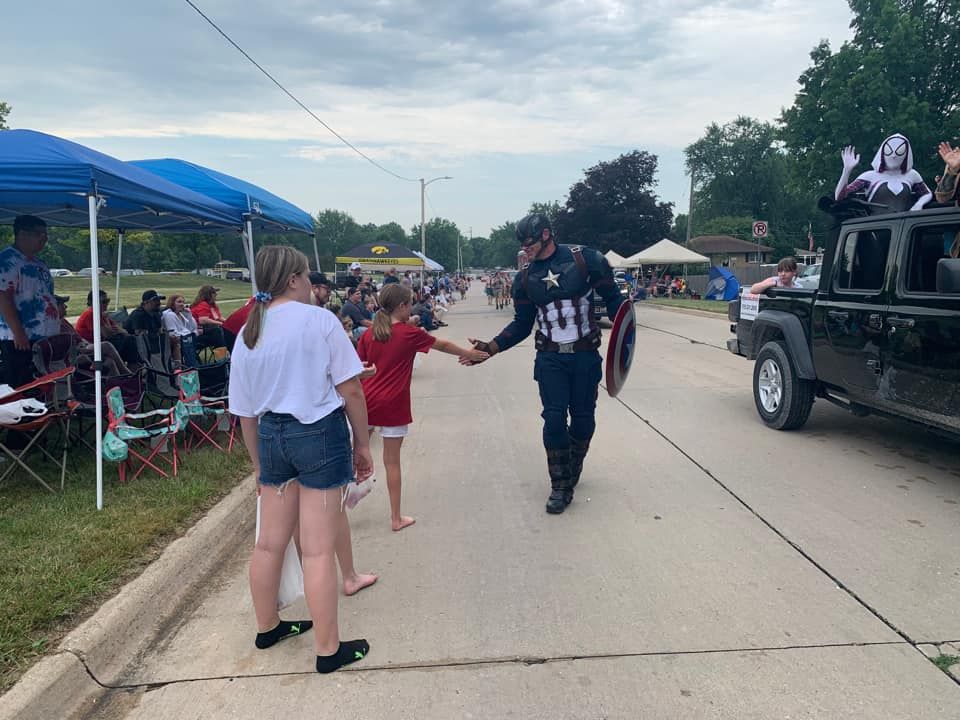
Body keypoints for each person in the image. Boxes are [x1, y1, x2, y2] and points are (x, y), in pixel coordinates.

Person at [228, 245, 373, 674]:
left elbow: (245, 412)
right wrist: (363, 445)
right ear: (293, 279)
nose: (312, 284)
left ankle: (267, 626)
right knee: (316, 550)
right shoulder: (320, 322)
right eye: (308, 276)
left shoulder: (249, 332)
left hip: (273, 435)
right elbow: (351, 391)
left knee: (269, 542)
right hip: (318, 433)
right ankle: (329, 650)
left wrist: (258, 465)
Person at [464, 213, 625, 514]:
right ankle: (560, 485)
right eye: (522, 245)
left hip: (585, 356)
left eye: (529, 243)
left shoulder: (586, 260)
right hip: (550, 357)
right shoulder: (524, 279)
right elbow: (523, 324)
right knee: (553, 419)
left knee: (583, 420)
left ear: (547, 235)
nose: (526, 250)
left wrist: (625, 339)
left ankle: (573, 463)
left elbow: (616, 302)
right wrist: (491, 348)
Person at [356, 284, 487, 530]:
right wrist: (471, 353)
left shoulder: (368, 334)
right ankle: (395, 518)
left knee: (357, 456)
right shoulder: (408, 333)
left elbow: (360, 368)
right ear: (403, 306)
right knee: (391, 462)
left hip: (367, 401)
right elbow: (443, 345)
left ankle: (338, 510)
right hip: (394, 402)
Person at [0, 215, 59, 388]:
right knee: (21, 384)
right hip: (20, 338)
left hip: (44, 336)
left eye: (46, 236)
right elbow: (3, 297)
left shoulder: (39, 263)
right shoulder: (7, 261)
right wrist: (18, 333)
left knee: (41, 383)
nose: (45, 240)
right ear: (22, 234)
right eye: (40, 235)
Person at [835, 134, 932, 213]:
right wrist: (846, 170)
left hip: (903, 229)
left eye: (900, 151)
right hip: (875, 228)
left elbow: (926, 193)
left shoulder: (912, 175)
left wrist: (919, 204)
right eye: (889, 151)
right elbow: (840, 196)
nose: (893, 155)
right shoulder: (870, 176)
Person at [76, 290, 141, 367]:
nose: (107, 304)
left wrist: (117, 330)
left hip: (103, 343)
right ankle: (131, 369)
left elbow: (122, 330)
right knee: (130, 340)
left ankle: (134, 366)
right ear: (94, 302)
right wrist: (115, 329)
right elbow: (107, 334)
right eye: (104, 301)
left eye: (108, 300)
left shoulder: (101, 314)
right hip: (90, 346)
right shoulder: (91, 314)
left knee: (129, 339)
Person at [161, 294, 199, 368]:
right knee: (189, 340)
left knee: (192, 338)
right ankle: (192, 367)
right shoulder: (169, 315)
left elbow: (192, 328)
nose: (182, 304)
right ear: (172, 303)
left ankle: (193, 366)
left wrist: (189, 314)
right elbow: (173, 333)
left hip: (187, 339)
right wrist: (189, 334)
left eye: (183, 302)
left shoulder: (182, 314)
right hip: (176, 341)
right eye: (179, 302)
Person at [191, 285, 233, 350]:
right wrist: (220, 323)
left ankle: (229, 354)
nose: (216, 294)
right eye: (214, 292)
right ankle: (222, 357)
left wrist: (229, 323)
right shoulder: (203, 304)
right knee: (218, 331)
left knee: (229, 330)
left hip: (210, 331)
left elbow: (219, 317)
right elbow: (203, 320)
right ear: (208, 294)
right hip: (199, 333)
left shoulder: (213, 305)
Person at [125, 289, 165, 354]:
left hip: (153, 343)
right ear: (146, 302)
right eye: (155, 300)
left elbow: (160, 331)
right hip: (135, 347)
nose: (159, 303)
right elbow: (140, 336)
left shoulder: (156, 313)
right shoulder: (138, 315)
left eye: (159, 300)